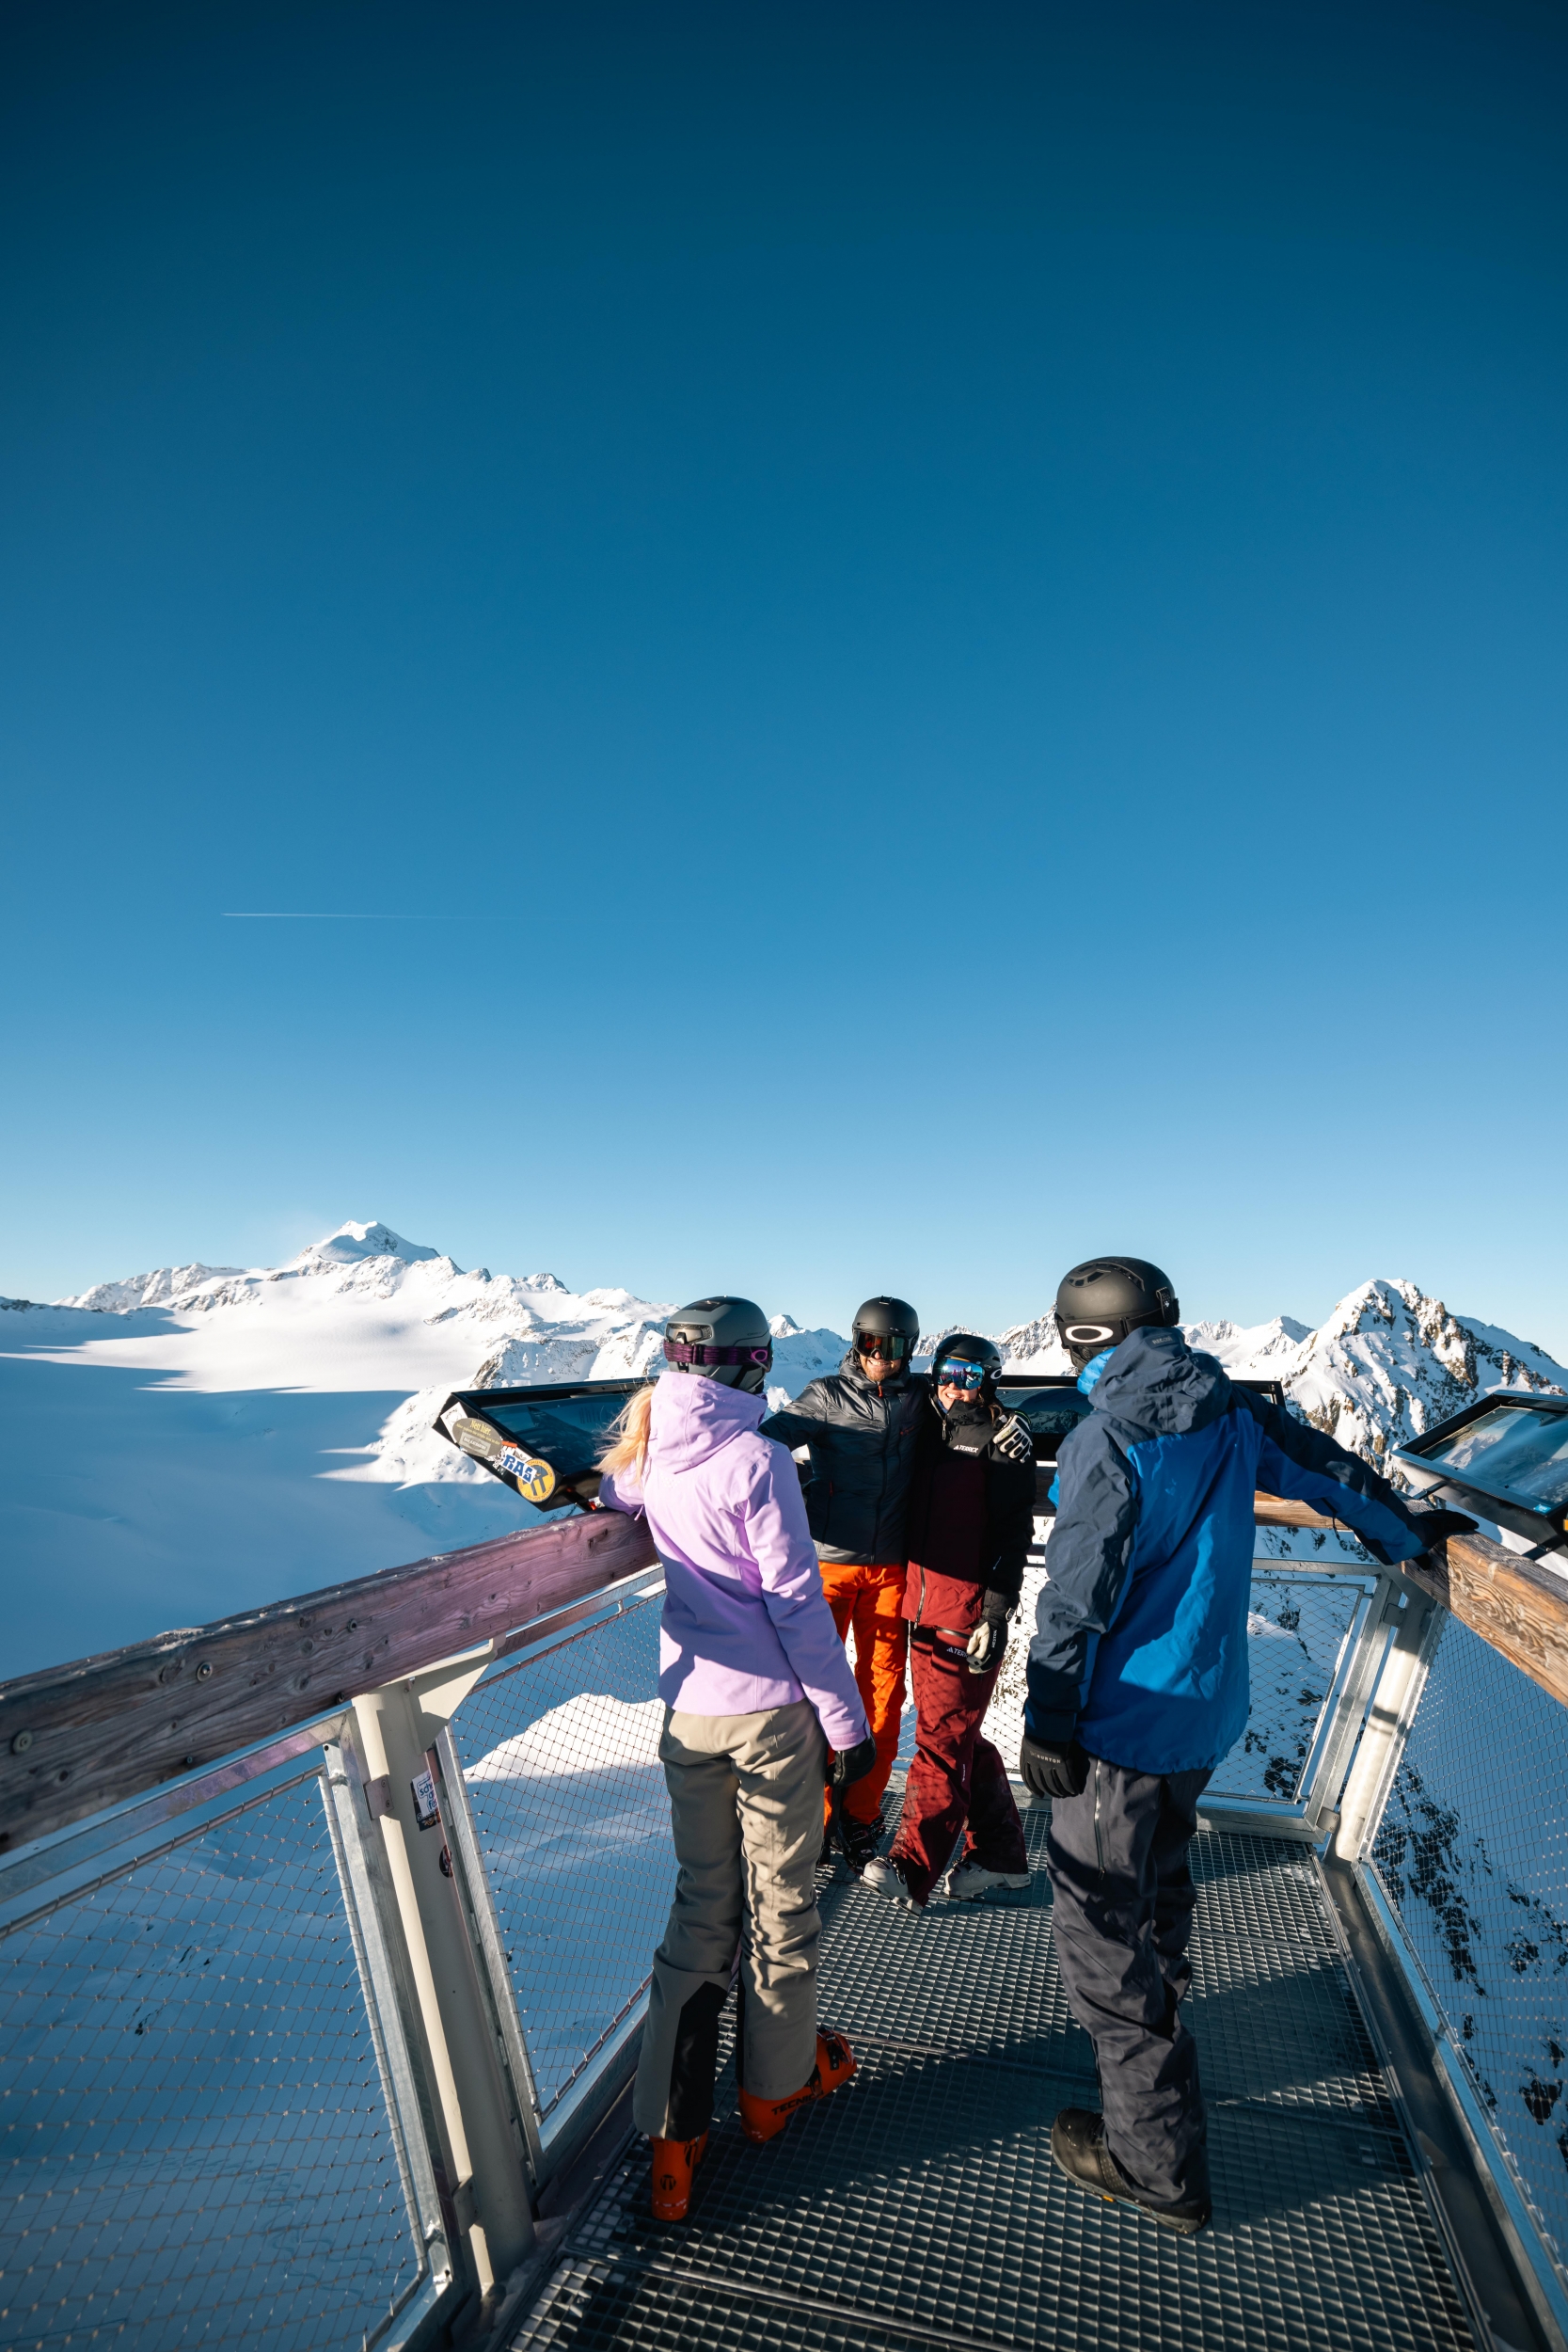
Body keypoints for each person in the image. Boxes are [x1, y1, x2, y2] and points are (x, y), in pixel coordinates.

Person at [1021, 1256, 1476, 2236]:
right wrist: (1401, 1533)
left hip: (1118, 1728)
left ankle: (1153, 2164)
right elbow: (1324, 1471)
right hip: (1200, 1715)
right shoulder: (1225, 1407)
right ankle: (1161, 2039)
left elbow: (1073, 1596)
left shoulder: (1106, 1436)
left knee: (1099, 1936)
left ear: (1078, 1335)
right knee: (1156, 1887)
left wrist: (1048, 1719)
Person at [596, 1295, 876, 2224]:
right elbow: (795, 1605)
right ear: (752, 1365)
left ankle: (671, 2140)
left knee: (699, 1910)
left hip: (690, 1715)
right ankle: (772, 2091)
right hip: (767, 1719)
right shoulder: (755, 1458)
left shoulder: (650, 1443)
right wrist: (845, 1728)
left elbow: (613, 1496)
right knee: (779, 1905)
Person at [862, 1333, 1037, 1909]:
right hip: (919, 1607)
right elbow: (872, 1380)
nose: (954, 1387)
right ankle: (1000, 1857)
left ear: (990, 1382)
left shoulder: (1002, 1443)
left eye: (970, 1377)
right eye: (946, 1373)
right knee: (959, 1735)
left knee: (940, 1740)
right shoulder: (924, 1424)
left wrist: (995, 1613)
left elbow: (1013, 1535)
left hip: (966, 1613)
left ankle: (910, 1867)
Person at [759, 1296, 927, 1868]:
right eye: (871, 1343)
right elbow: (766, 1441)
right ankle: (818, 1813)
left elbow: (974, 1411)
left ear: (910, 1349)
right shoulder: (827, 1396)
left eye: (894, 1346)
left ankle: (859, 1814)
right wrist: (804, 1486)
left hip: (891, 1570)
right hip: (828, 1567)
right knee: (813, 1693)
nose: (881, 1356)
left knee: (884, 1695)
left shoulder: (920, 1398)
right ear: (856, 1342)